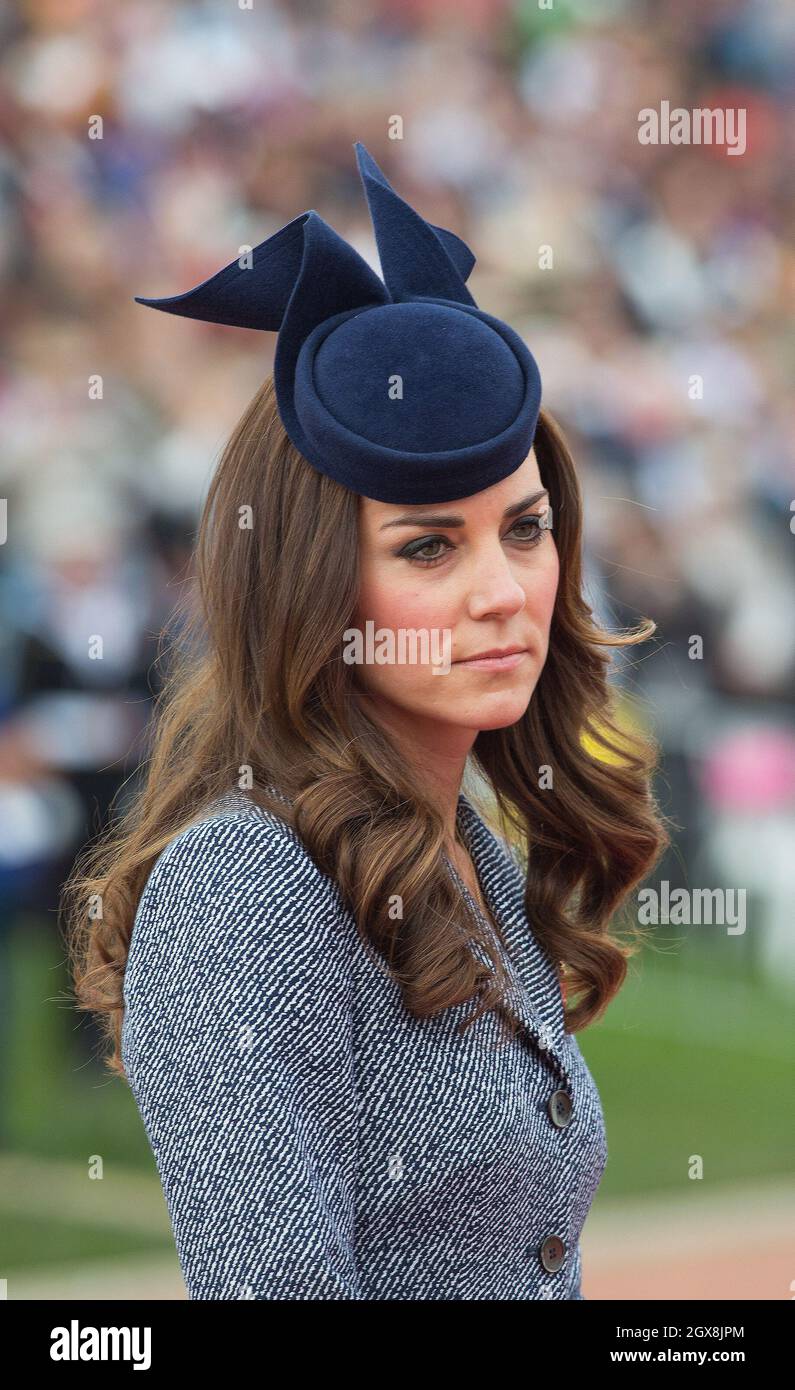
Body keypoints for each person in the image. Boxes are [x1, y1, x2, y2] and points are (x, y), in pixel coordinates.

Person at [63, 142, 667, 1300]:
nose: (503, 589)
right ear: (309, 583)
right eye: (429, 545)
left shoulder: (475, 850)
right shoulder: (241, 889)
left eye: (526, 529)